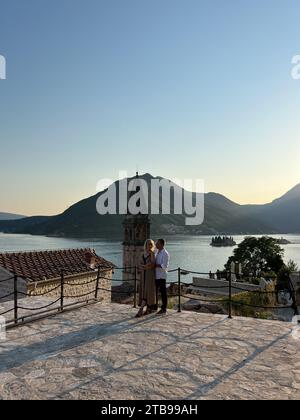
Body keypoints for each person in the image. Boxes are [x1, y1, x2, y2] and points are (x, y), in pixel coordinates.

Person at [135, 239, 157, 318]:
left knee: (148, 291)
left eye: (151, 244)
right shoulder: (143, 254)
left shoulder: (152, 253)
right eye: (148, 244)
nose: (149, 246)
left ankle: (141, 309)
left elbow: (152, 264)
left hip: (150, 274)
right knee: (144, 290)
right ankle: (148, 309)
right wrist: (144, 266)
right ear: (146, 245)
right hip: (143, 274)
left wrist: (144, 266)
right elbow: (140, 264)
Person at [155, 238, 170, 315]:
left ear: (161, 244)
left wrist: (156, 265)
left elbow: (165, 266)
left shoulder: (165, 253)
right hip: (156, 275)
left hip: (161, 276)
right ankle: (155, 306)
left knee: (163, 292)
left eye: (157, 243)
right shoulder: (157, 252)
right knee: (155, 292)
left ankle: (164, 308)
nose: (155, 244)